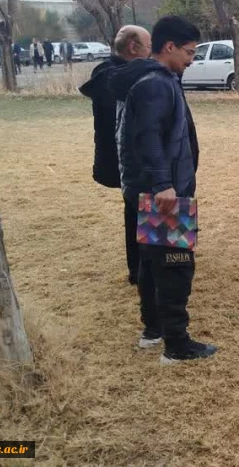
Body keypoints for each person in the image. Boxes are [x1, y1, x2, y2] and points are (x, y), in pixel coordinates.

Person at [111, 16, 215, 363]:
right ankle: (177, 344)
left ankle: (153, 329)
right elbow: (148, 137)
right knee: (175, 265)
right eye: (189, 52)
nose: (191, 59)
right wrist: (163, 185)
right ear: (168, 47)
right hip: (162, 192)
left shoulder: (158, 78)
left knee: (152, 263)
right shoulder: (155, 83)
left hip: (154, 187)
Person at [79, 26, 152, 285]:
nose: (151, 52)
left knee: (137, 210)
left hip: (131, 159)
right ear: (133, 48)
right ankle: (146, 270)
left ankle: (144, 267)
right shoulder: (113, 78)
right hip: (132, 160)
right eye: (148, 45)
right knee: (138, 211)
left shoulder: (111, 74)